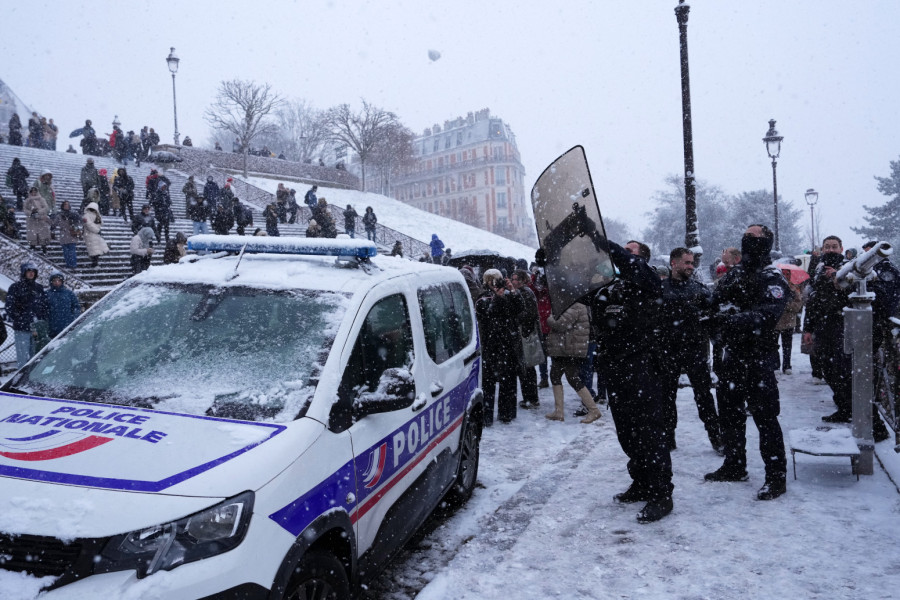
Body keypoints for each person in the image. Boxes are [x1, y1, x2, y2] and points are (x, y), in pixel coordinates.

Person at [588, 239, 673, 523]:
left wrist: (604, 242)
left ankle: (661, 493)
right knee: (627, 430)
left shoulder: (647, 282)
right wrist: (556, 264)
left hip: (643, 366)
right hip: (615, 366)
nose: (624, 254)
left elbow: (629, 262)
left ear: (642, 258)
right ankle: (641, 482)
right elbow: (577, 294)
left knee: (650, 431)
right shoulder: (608, 287)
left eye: (631, 251)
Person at [706, 224, 789, 501]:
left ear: (766, 242)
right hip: (732, 355)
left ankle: (776, 477)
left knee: (766, 418)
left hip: (759, 357)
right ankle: (734, 465)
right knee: (729, 414)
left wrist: (731, 319)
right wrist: (716, 322)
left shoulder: (772, 276)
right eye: (746, 235)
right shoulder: (737, 273)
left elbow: (768, 314)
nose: (748, 240)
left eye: (755, 237)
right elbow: (714, 301)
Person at [802, 236, 893, 442]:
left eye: (834, 247)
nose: (831, 250)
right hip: (824, 328)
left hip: (844, 326)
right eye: (827, 247)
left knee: (848, 375)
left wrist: (838, 279)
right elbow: (814, 302)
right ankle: (844, 409)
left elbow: (866, 293)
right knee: (829, 371)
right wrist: (808, 328)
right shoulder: (818, 270)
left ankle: (875, 425)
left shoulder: (850, 268)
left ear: (841, 249)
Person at [658, 247, 722, 453]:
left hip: (695, 350)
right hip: (667, 350)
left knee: (704, 396)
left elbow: (713, 316)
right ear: (673, 263)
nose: (690, 266)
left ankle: (716, 436)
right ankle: (668, 437)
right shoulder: (660, 289)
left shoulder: (699, 289)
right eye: (686, 262)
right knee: (666, 396)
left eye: (692, 263)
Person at [475, 269, 525, 426]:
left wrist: (513, 292)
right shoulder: (482, 298)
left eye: (498, 280)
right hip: (491, 344)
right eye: (492, 280)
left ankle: (507, 413)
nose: (495, 283)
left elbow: (520, 308)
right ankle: (487, 416)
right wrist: (498, 297)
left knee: (508, 380)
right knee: (488, 382)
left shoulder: (508, 294)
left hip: (508, 343)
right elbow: (489, 314)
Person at [543, 299, 601, 423]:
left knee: (572, 378)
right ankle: (559, 412)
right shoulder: (567, 303)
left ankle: (594, 410)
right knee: (555, 375)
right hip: (564, 347)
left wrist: (550, 318)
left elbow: (561, 324)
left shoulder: (576, 304)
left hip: (570, 348)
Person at [5, 263, 49, 368]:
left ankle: (33, 378)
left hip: (37, 327)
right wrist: (19, 318)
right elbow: (9, 306)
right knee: (22, 357)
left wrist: (42, 320)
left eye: (33, 271)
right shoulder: (15, 287)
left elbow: (44, 306)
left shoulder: (39, 288)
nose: (31, 273)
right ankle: (22, 379)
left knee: (36, 356)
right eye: (28, 271)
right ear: (24, 273)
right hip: (21, 328)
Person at [510, 269, 542, 410]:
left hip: (525, 334)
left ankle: (531, 398)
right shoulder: (524, 292)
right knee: (526, 367)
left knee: (527, 367)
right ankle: (530, 397)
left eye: (516, 279)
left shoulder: (525, 293)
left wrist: (515, 318)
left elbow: (528, 314)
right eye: (513, 279)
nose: (514, 281)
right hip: (524, 333)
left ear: (523, 280)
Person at [775, 269, 804, 375]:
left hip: (788, 321)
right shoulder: (775, 287)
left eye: (788, 273)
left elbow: (798, 305)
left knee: (787, 345)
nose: (785, 275)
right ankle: (776, 366)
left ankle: (787, 365)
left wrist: (786, 305)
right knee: (774, 345)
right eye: (783, 273)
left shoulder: (794, 288)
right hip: (776, 321)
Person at [46, 273, 82, 338]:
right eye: (54, 281)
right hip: (52, 327)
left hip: (67, 325)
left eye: (59, 280)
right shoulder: (47, 294)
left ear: (62, 282)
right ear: (51, 282)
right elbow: (43, 310)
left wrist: (73, 318)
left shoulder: (69, 293)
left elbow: (76, 307)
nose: (57, 283)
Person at [82, 202, 109, 268]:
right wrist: (97, 230)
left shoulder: (96, 215)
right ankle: (94, 263)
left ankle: (95, 263)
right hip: (90, 234)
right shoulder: (86, 215)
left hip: (95, 235)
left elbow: (100, 223)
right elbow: (89, 225)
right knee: (94, 249)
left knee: (95, 249)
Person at [24, 186, 51, 253]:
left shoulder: (41, 199)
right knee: (32, 234)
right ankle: (33, 246)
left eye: (35, 191)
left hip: (41, 219)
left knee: (43, 234)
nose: (33, 193)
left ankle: (44, 248)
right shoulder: (27, 200)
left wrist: (38, 212)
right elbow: (25, 209)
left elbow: (46, 207)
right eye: (32, 191)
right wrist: (31, 213)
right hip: (32, 220)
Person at [57, 201, 81, 269]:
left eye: (67, 205)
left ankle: (73, 265)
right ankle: (69, 264)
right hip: (64, 235)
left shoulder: (74, 215)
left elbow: (79, 223)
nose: (66, 206)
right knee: (66, 252)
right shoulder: (59, 215)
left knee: (71, 251)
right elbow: (54, 223)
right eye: (65, 205)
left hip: (71, 235)